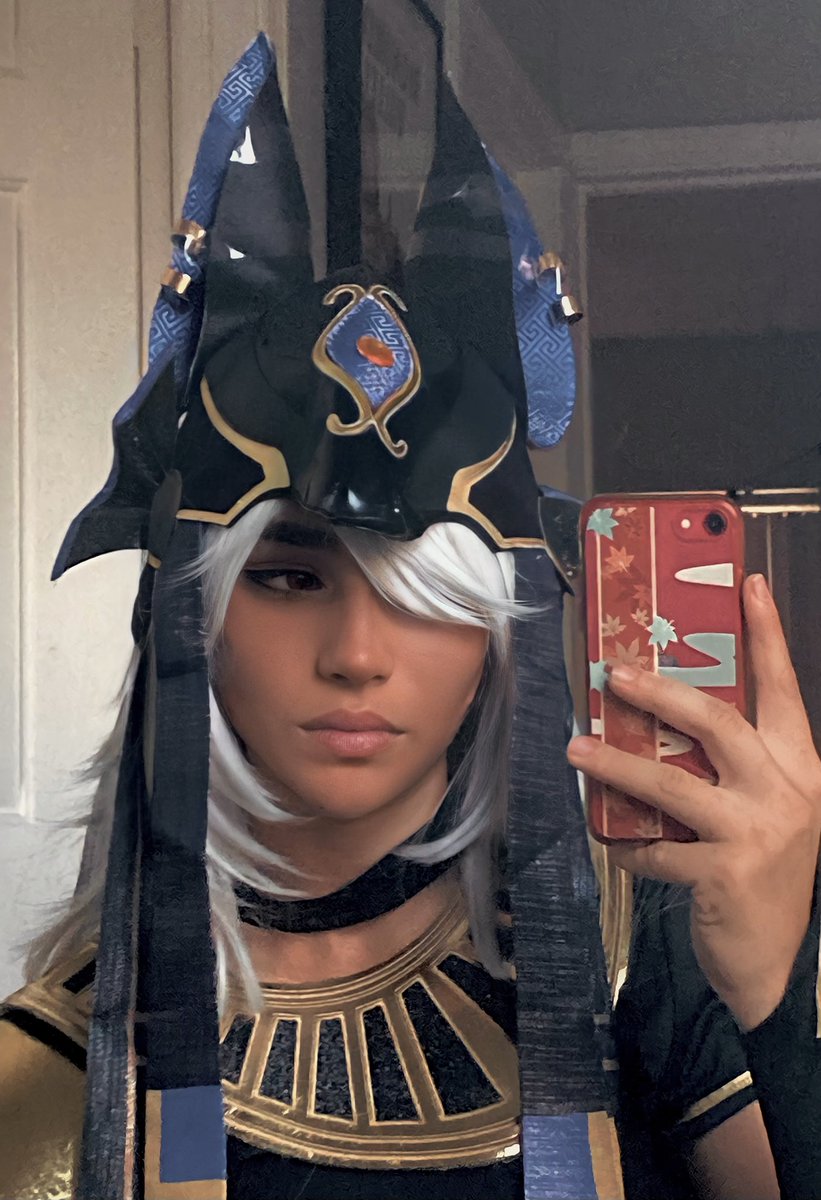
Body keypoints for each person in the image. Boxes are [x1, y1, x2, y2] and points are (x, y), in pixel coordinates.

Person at [0, 31, 819, 1200]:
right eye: (290, 577)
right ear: (194, 616)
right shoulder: (55, 1072)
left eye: (423, 589)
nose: (356, 655)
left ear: (497, 628)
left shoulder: (632, 958)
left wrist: (775, 999)